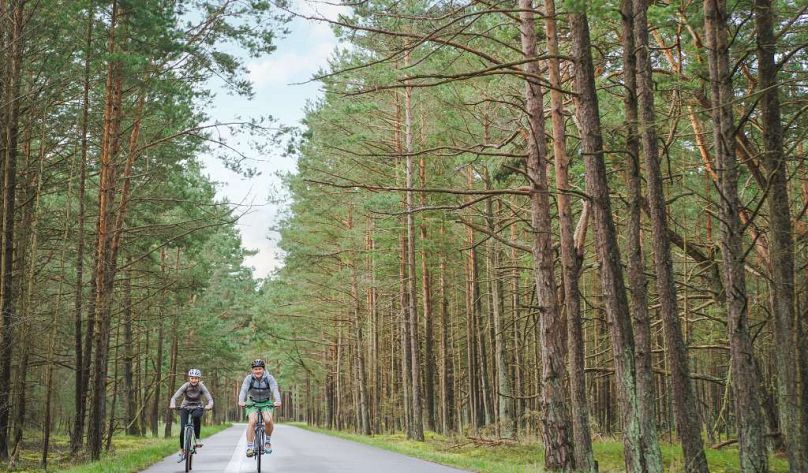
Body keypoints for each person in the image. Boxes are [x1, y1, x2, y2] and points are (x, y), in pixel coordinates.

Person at [238, 359, 281, 457]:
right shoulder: (249, 379)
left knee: (268, 420)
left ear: (263, 369)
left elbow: (274, 389)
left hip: (266, 403)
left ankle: (267, 442)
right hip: (252, 402)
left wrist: (278, 401)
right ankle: (249, 447)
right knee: (252, 422)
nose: (258, 371)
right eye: (255, 369)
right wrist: (241, 401)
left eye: (260, 369)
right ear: (252, 370)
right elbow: (244, 390)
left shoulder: (269, 378)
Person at [169, 368, 214, 462]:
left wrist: (209, 405)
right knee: (182, 429)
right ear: (189, 378)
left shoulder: (201, 386)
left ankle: (197, 439)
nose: (194, 380)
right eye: (192, 378)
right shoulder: (185, 386)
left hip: (197, 406)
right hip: (185, 406)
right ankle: (182, 451)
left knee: (196, 416)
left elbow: (209, 398)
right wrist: (172, 404)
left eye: (196, 378)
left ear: (198, 379)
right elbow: (174, 397)